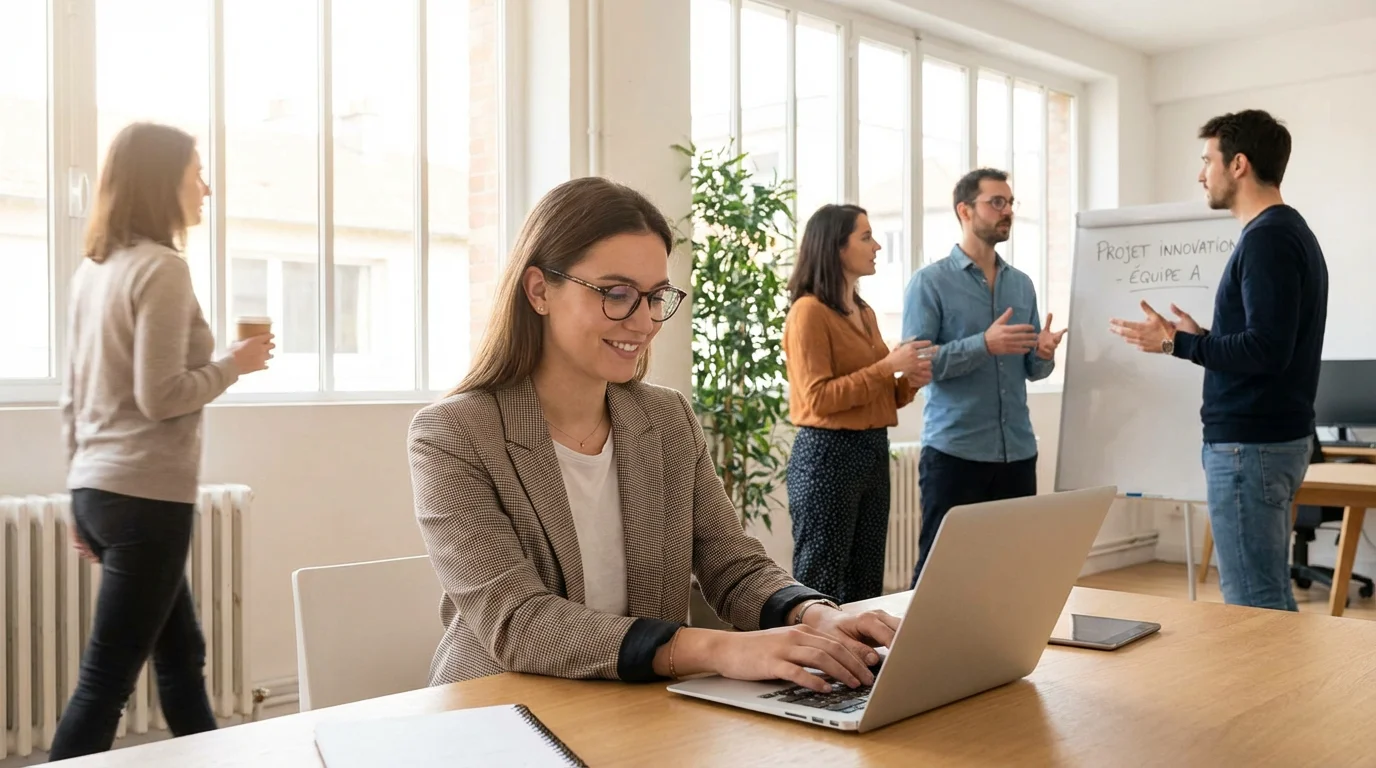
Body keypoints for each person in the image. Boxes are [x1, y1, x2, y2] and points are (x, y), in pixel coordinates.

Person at [408, 177, 900, 696]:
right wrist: (714, 648)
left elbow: (731, 565)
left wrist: (810, 613)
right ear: (538, 291)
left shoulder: (667, 418)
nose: (643, 322)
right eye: (616, 294)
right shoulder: (453, 435)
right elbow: (519, 622)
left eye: (655, 296)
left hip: (641, 710)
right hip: (504, 712)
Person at [51, 122, 274, 759]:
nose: (206, 187)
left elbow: (73, 399)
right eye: (195, 173)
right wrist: (235, 363)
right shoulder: (162, 269)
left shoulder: (92, 272)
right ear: (161, 181)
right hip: (146, 500)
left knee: (182, 655)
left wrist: (78, 496)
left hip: (100, 491)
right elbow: (161, 395)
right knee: (105, 683)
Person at [1110, 110, 1327, 612]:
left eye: (1207, 160)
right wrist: (1204, 336)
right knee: (1264, 594)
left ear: (1239, 165)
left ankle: (1274, 694)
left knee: (1254, 602)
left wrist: (1175, 344)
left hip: (1251, 447)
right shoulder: (1285, 232)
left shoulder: (1268, 238)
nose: (1200, 173)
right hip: (1267, 442)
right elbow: (1268, 341)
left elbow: (1266, 351)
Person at [900, 168, 1066, 586]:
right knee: (943, 574)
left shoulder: (1022, 285)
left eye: (1010, 203)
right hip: (956, 453)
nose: (1006, 210)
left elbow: (1030, 369)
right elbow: (917, 364)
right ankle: (925, 653)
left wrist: (1043, 354)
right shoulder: (930, 283)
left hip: (1017, 453)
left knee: (1011, 573)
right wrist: (983, 344)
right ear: (964, 210)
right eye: (996, 202)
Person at [782, 204, 932, 603]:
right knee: (822, 578)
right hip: (827, 454)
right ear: (835, 247)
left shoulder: (863, 312)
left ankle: (860, 662)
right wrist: (887, 368)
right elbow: (818, 398)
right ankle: (814, 663)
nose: (877, 245)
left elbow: (877, 395)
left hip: (870, 449)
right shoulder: (808, 312)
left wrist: (908, 383)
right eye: (866, 237)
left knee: (866, 578)